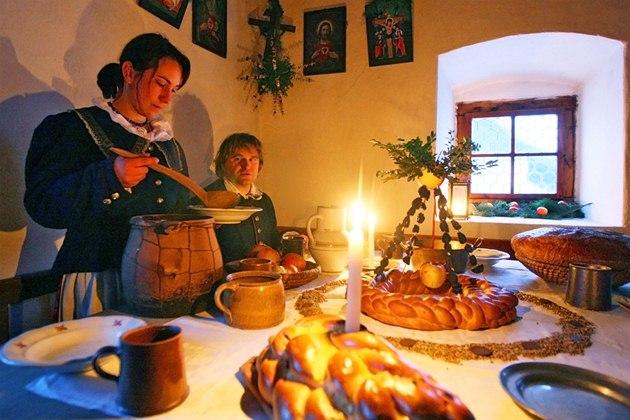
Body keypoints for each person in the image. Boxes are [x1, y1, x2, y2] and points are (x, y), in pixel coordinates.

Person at [24, 33, 192, 320]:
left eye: (173, 89)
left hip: (160, 280)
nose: (166, 98)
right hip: (97, 283)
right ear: (129, 72)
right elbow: (41, 205)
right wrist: (109, 177)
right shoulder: (71, 128)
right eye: (161, 83)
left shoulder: (169, 146)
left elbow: (179, 211)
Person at [205, 133, 281, 263]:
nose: (247, 166)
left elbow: (273, 242)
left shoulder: (265, 201)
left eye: (253, 159)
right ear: (223, 163)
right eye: (238, 159)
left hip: (264, 278)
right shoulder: (208, 198)